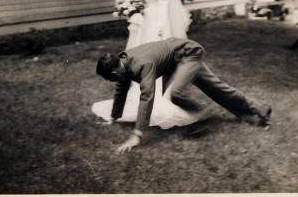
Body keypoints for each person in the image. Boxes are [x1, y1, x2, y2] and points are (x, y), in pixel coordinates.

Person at [92, 0, 206, 129]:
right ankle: (132, 102)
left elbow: (163, 3)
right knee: (130, 65)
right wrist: (131, 11)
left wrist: (160, 27)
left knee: (153, 63)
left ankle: (165, 98)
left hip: (157, 22)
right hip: (141, 23)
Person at [96, 37, 272, 154]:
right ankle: (259, 112)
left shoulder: (141, 64)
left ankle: (203, 115)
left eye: (111, 78)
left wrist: (137, 135)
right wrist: (113, 117)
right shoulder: (122, 65)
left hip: (188, 54)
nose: (113, 81)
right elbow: (121, 91)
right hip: (174, 62)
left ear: (115, 72)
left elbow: (147, 96)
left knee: (178, 93)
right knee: (218, 89)